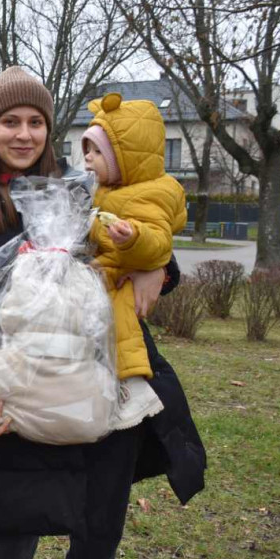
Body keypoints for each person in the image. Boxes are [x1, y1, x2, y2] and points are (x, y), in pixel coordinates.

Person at [0, 67, 205, 559]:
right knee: (8, 539)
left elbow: (139, 240)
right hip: (17, 395)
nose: (24, 134)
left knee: (97, 538)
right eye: (10, 121)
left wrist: (159, 267)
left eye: (36, 122)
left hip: (102, 389)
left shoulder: (82, 189)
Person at [83, 92, 187, 382]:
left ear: (124, 158)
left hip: (118, 274)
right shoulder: (109, 189)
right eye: (87, 149)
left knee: (120, 323)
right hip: (105, 266)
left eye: (97, 151)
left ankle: (129, 373)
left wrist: (133, 239)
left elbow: (158, 244)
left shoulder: (145, 195)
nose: (87, 157)